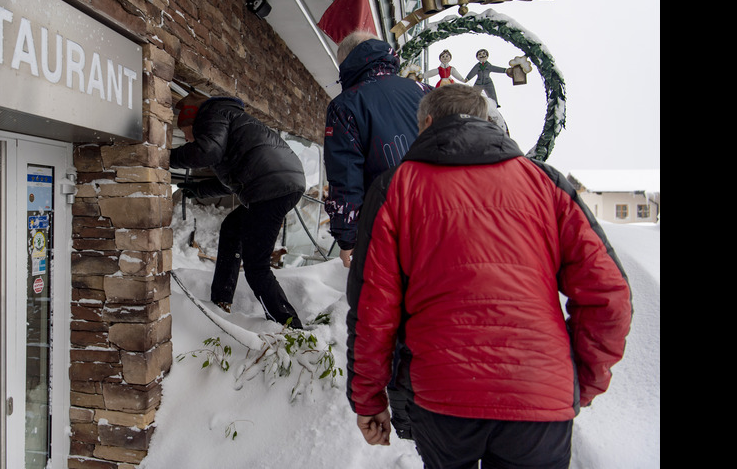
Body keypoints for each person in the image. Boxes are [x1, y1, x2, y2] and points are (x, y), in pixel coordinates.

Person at [346, 83, 632, 467]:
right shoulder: (546, 184)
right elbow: (609, 296)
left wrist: (368, 398)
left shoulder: (397, 188)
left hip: (443, 398)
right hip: (538, 396)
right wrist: (581, 380)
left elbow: (373, 310)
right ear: (486, 121)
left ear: (427, 123)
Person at [171, 91, 307, 329]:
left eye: (184, 131)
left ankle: (290, 327)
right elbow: (228, 180)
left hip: (270, 187)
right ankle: (221, 300)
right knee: (233, 227)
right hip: (281, 181)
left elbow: (206, 152)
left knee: (256, 267)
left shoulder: (212, 115)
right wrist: (198, 190)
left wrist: (165, 156)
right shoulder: (228, 120)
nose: (186, 138)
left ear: (193, 120)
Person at [323, 31, 431, 269]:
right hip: (441, 215)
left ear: (347, 61)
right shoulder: (426, 91)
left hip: (389, 226)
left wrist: (347, 237)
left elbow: (345, 176)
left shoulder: (346, 105)